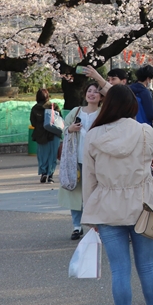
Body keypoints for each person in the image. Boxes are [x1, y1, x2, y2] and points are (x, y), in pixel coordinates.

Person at [81, 85, 153, 305]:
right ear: (132, 105)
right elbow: (149, 162)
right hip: (142, 205)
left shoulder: (93, 135)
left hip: (107, 206)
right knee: (147, 267)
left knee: (119, 270)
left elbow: (89, 178)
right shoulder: (145, 132)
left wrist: (90, 213)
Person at [58, 82, 102, 240]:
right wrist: (70, 130)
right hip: (75, 160)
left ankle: (95, 224)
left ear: (101, 96)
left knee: (95, 194)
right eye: (89, 91)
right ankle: (77, 226)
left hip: (97, 161)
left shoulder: (103, 113)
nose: (92, 94)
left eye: (96, 92)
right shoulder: (76, 111)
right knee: (75, 194)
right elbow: (63, 129)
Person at [30, 89, 62, 183]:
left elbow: (33, 122)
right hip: (54, 133)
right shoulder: (54, 106)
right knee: (53, 155)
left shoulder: (35, 108)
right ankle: (50, 175)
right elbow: (60, 118)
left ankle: (43, 173)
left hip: (40, 134)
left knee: (43, 155)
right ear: (48, 96)